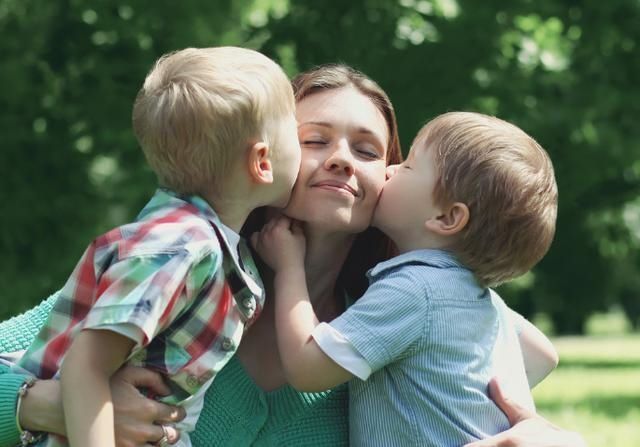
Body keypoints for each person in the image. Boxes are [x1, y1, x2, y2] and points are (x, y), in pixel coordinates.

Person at [0, 65, 585, 447]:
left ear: (393, 181)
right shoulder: (175, 273)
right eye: (312, 140)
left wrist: (553, 438)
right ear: (262, 158)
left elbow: (527, 349)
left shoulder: (394, 313)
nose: (340, 159)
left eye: (367, 149)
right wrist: (44, 407)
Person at [6, 46, 300, 447]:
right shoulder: (177, 247)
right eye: (300, 131)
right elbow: (84, 366)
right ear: (262, 162)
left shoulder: (212, 250)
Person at [251, 111, 561, 446]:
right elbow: (543, 355)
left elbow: (307, 367)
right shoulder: (474, 297)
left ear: (447, 217)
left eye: (409, 166)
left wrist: (289, 267)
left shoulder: (413, 292)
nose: (391, 170)